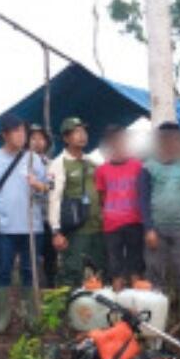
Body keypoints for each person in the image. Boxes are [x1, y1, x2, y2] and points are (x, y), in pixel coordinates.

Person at [0, 113, 49, 335]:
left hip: (31, 225)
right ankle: (3, 316)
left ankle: (31, 315)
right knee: (4, 270)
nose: (22, 135)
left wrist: (38, 185)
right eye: (17, 131)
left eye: (24, 131)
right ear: (5, 134)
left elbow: (47, 191)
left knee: (30, 270)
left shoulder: (34, 159)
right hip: (5, 225)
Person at [139, 122, 180, 339]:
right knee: (155, 277)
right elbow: (143, 201)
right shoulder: (148, 167)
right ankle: (156, 325)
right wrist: (149, 229)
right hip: (156, 232)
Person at [47, 117, 105, 287]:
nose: (82, 136)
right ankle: (66, 311)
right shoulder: (58, 164)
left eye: (83, 131)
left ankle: (95, 312)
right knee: (71, 273)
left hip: (99, 228)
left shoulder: (93, 163)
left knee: (101, 272)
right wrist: (56, 232)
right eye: (76, 132)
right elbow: (54, 198)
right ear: (66, 138)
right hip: (76, 231)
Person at [95, 125, 145, 291]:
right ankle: (117, 308)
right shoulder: (102, 170)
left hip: (135, 221)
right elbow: (102, 196)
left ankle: (136, 305)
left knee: (135, 264)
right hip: (111, 224)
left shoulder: (138, 166)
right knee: (114, 266)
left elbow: (142, 192)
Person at [29, 124, 58, 288]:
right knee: (32, 256)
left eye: (41, 138)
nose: (37, 142)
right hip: (29, 218)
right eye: (33, 138)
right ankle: (32, 288)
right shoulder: (22, 162)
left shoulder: (51, 163)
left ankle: (50, 287)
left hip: (47, 216)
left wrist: (41, 186)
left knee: (50, 254)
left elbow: (54, 186)